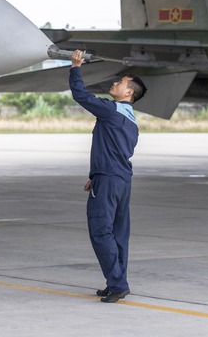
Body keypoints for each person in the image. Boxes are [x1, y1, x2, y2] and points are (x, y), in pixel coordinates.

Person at [69, 49, 146, 303]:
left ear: (129, 93)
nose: (115, 82)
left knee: (101, 232)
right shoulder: (131, 120)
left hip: (109, 179)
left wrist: (75, 66)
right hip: (121, 180)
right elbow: (113, 149)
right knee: (118, 233)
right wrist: (97, 174)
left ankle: (117, 283)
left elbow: (80, 95)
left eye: (121, 82)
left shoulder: (111, 110)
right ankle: (116, 280)